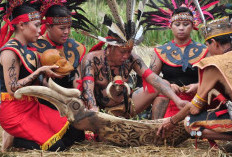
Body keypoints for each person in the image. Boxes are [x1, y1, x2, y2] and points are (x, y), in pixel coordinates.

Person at [81, 0, 187, 119]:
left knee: (165, 85)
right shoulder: (92, 59)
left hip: (128, 106)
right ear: (110, 47)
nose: (126, 56)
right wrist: (95, 112)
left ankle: (155, 129)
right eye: (122, 52)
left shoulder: (132, 59)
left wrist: (177, 100)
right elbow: (87, 90)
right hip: (102, 112)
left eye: (129, 51)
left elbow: (153, 78)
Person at [0, 1, 79, 152]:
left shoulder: (31, 51)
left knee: (74, 134)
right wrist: (39, 71)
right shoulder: (9, 52)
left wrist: (55, 80)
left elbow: (37, 84)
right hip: (14, 112)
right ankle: (15, 140)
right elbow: (12, 89)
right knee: (57, 148)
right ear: (22, 25)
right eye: (36, 25)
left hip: (32, 106)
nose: (39, 30)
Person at [157, 16, 232, 149]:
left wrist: (172, 121)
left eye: (207, 45)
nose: (207, 50)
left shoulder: (214, 64)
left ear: (214, 43)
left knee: (190, 123)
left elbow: (195, 106)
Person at [141, 0, 224, 119]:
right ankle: (155, 128)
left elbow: (215, 77)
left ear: (193, 26)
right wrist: (167, 85)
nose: (181, 28)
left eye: (186, 24)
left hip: (199, 99)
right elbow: (150, 79)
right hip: (169, 99)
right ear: (170, 26)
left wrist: (197, 86)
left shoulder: (205, 50)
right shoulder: (160, 51)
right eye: (177, 24)